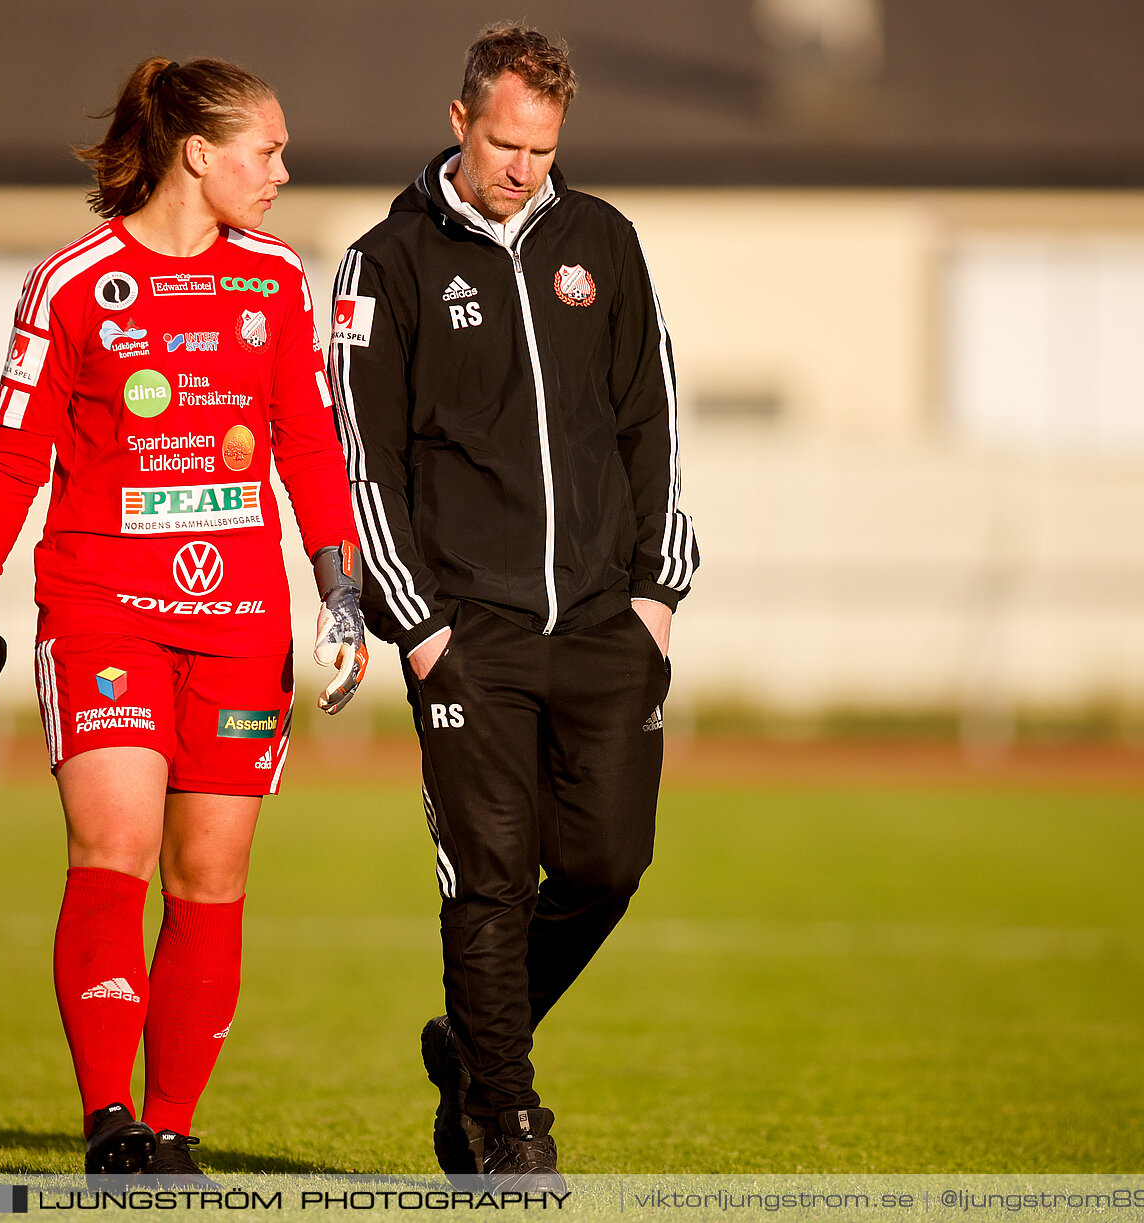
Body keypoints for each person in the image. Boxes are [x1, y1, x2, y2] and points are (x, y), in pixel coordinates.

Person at [0, 56, 366, 1181]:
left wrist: (339, 586)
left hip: (239, 618)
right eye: (267, 150)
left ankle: (171, 1130)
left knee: (210, 877)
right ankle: (110, 1122)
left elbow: (309, 443)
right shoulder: (71, 283)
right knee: (112, 846)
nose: (283, 170)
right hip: (102, 606)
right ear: (197, 153)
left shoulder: (273, 280)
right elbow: (15, 453)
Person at [327, 24, 697, 1189]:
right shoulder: (383, 264)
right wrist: (417, 623)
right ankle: (510, 1122)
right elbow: (359, 459)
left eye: (542, 146)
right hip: (465, 633)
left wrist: (657, 595)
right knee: (488, 880)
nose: (523, 166)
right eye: (504, 141)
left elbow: (654, 422)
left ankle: (473, 1050)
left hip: (603, 622)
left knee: (608, 864)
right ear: (458, 120)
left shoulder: (606, 243)